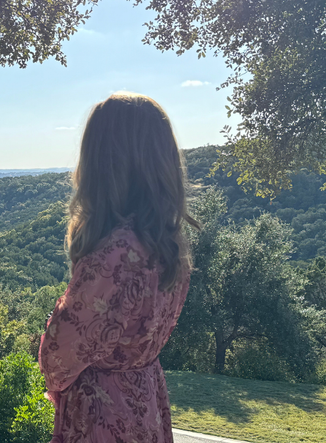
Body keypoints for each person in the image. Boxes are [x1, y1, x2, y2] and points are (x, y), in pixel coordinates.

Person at [38, 92, 200, 443]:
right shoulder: (166, 243)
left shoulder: (116, 251)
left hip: (102, 413)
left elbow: (58, 357)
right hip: (145, 399)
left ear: (102, 162)